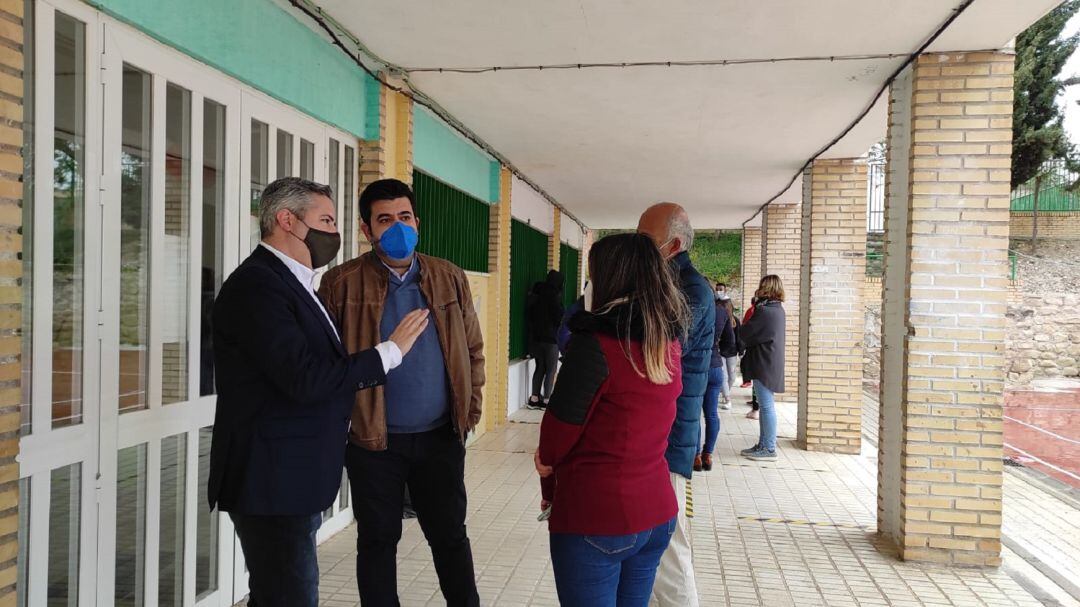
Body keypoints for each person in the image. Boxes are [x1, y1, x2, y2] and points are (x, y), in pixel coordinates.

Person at [208, 177, 430, 607]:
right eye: (325, 220)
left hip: (292, 479)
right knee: (288, 596)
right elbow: (306, 379)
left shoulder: (296, 284)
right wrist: (389, 352)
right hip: (271, 481)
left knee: (280, 594)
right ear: (286, 221)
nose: (334, 232)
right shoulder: (259, 286)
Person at [319, 178, 484, 607]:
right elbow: (328, 366)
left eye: (405, 217)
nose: (398, 227)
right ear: (366, 228)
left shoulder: (449, 277)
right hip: (374, 441)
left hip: (440, 437)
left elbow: (473, 350)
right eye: (385, 219)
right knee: (377, 540)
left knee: (449, 536)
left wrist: (469, 411)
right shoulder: (341, 284)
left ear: (418, 221)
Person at [534, 233, 689, 607]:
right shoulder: (665, 343)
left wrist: (546, 463)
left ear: (609, 278)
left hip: (597, 519)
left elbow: (556, 438)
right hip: (656, 513)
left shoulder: (595, 346)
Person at [637, 202, 714, 607]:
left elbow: (659, 348)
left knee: (669, 543)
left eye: (646, 242)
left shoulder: (691, 290)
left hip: (669, 441)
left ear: (674, 245)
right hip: (654, 436)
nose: (638, 250)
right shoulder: (663, 284)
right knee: (650, 545)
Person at [738, 275, 787, 462]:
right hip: (770, 361)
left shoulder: (764, 311)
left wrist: (741, 328)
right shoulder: (778, 310)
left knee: (766, 406)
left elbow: (747, 333)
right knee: (766, 405)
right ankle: (763, 443)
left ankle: (768, 447)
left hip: (763, 363)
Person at [696, 295, 734, 472]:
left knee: (693, 413)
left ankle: (695, 456)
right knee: (711, 414)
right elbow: (730, 342)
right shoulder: (722, 312)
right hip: (716, 367)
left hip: (697, 367)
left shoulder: (695, 308)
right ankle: (708, 454)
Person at [526, 269, 564, 408]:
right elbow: (559, 317)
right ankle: (547, 399)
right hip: (551, 340)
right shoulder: (555, 296)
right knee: (551, 369)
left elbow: (530, 314)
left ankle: (534, 398)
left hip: (536, 338)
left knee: (540, 367)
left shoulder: (537, 293)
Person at [741, 296, 760, 420]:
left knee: (756, 381)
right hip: (757, 350)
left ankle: (756, 408)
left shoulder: (755, 311)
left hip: (755, 350)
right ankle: (755, 405)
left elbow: (745, 328)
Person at [720, 298, 741, 400]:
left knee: (732, 377)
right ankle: (727, 397)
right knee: (724, 376)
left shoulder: (735, 321)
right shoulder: (720, 320)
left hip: (732, 352)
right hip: (720, 352)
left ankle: (725, 391)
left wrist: (741, 351)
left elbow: (739, 337)